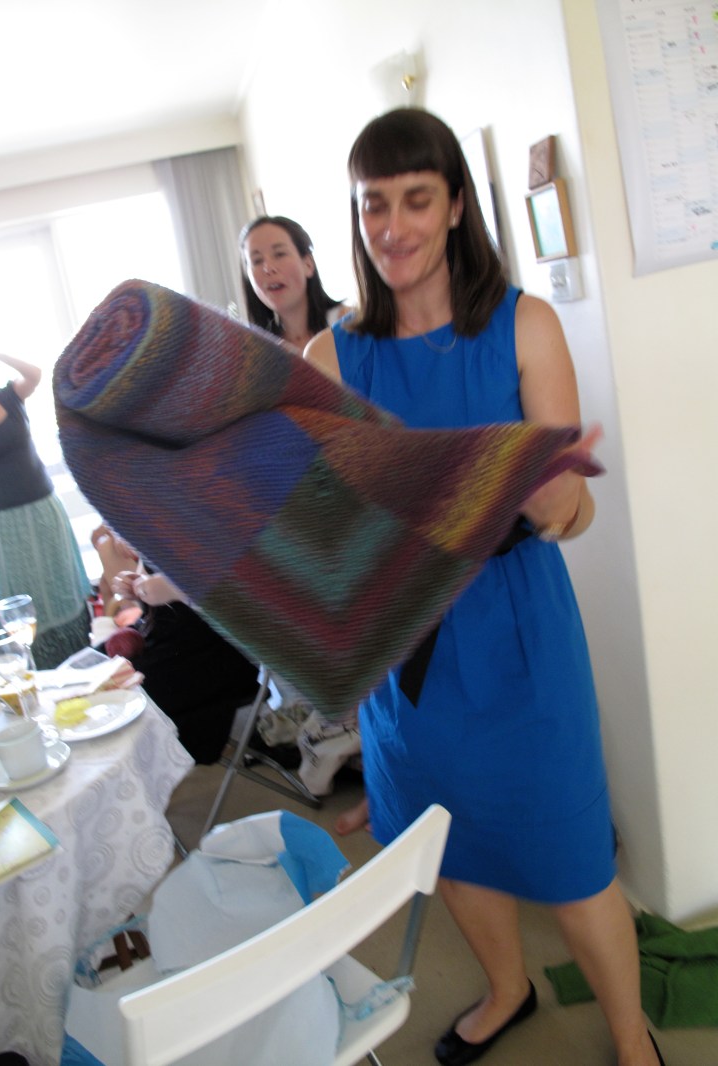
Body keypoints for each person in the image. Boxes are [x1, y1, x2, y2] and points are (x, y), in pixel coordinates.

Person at [305, 109, 663, 1066]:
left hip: (517, 633)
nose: (392, 227)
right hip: (407, 647)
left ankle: (633, 1041)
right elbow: (330, 535)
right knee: (445, 840)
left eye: (416, 200)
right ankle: (509, 989)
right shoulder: (331, 359)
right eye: (373, 205)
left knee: (571, 856)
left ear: (458, 206)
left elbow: (575, 514)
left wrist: (557, 503)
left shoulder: (524, 327)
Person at [0, 347, 92, 669]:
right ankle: (36, 667)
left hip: (42, 504)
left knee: (57, 579)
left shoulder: (9, 395)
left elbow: (36, 374)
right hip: (1, 517)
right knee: (20, 590)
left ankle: (77, 657)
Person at [106, 542, 261, 765]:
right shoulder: (156, 531)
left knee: (127, 692)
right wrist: (138, 585)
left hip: (225, 649)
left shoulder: (217, 533)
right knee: (101, 666)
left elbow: (247, 594)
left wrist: (174, 589)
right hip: (178, 637)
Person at [239, 215, 351, 355]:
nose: (268, 268)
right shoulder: (257, 352)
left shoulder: (350, 323)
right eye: (257, 261)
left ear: (308, 264)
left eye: (279, 254)